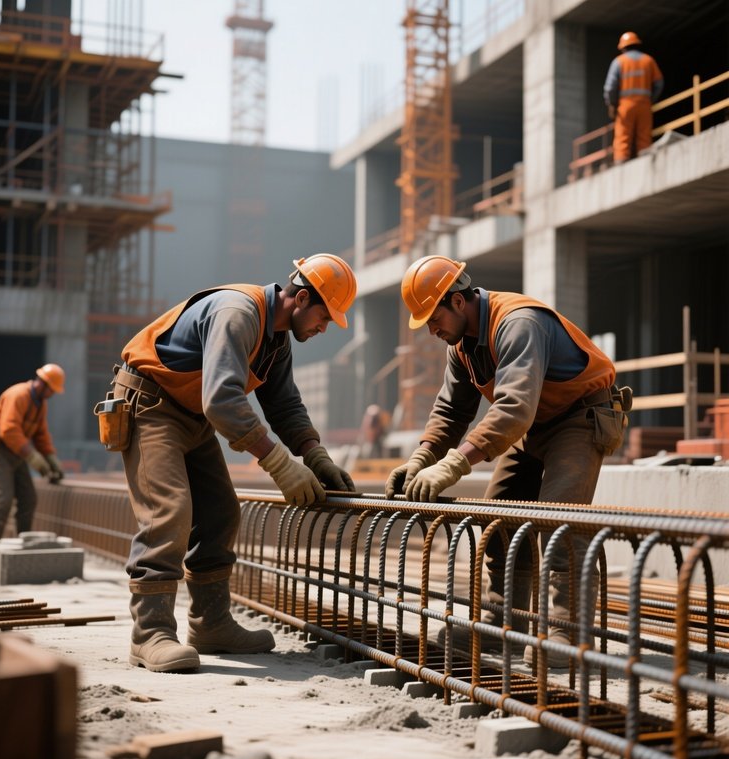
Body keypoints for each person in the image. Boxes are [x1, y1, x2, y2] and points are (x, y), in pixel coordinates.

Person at [110, 254, 358, 673]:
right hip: (151, 405)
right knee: (169, 511)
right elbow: (222, 399)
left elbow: (283, 403)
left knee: (220, 511)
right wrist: (279, 462)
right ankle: (149, 634)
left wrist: (313, 454)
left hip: (192, 415)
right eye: (324, 316)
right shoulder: (239, 313)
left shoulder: (276, 339)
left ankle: (210, 625)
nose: (323, 327)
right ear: (299, 298)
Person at [385, 256, 630, 667]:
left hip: (580, 418)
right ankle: (505, 626)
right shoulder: (462, 345)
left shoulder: (518, 322)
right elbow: (450, 412)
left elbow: (514, 408)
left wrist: (454, 464)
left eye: (433, 317)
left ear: (459, 302)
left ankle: (567, 636)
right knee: (500, 520)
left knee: (559, 522)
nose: (431, 329)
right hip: (535, 424)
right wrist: (422, 458)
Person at [0, 364, 66, 543]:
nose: (52, 395)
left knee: (28, 499)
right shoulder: (18, 395)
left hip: (18, 454)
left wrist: (50, 458)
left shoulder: (39, 404)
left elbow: (40, 434)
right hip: (0, 451)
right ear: (43, 384)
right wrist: (33, 457)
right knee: (2, 499)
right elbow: (9, 430)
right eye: (52, 390)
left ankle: (22, 543)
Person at [603, 31, 664, 164]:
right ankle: (644, 159)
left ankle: (621, 162)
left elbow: (610, 88)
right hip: (644, 104)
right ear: (637, 44)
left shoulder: (619, 62)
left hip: (625, 105)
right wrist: (651, 99)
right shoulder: (648, 60)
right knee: (644, 135)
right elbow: (659, 83)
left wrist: (612, 105)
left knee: (623, 136)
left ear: (623, 47)